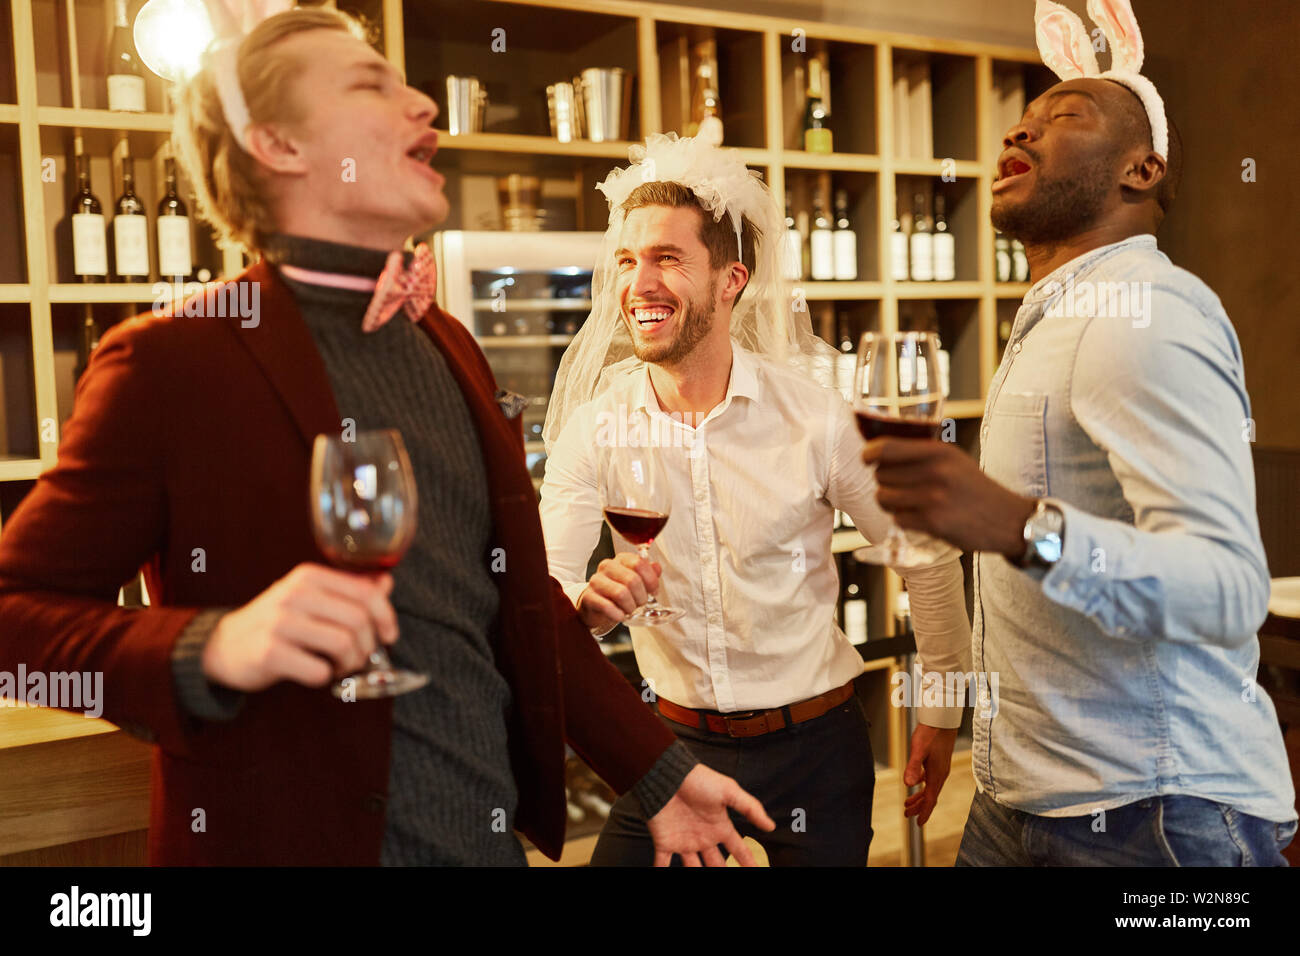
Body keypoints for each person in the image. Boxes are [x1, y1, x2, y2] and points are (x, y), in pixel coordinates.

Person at [0, 5, 775, 866]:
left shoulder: (447, 343)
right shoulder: (169, 364)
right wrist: (213, 645)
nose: (422, 106)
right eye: (371, 84)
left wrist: (659, 774)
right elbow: (14, 627)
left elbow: (515, 608)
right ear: (280, 144)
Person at [862, 0, 1297, 865]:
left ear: (1141, 170)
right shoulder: (1056, 318)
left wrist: (1020, 528)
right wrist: (949, 711)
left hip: (1156, 818)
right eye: (1020, 121)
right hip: (1021, 803)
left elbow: (1227, 588)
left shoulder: (1148, 313)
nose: (1018, 135)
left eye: (1064, 116)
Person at [539, 131, 972, 866]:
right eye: (627, 261)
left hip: (815, 748)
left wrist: (939, 711)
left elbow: (923, 552)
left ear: (731, 279)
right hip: (667, 750)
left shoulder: (816, 417)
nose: (639, 284)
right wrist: (582, 605)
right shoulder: (597, 425)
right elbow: (547, 576)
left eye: (667, 260)